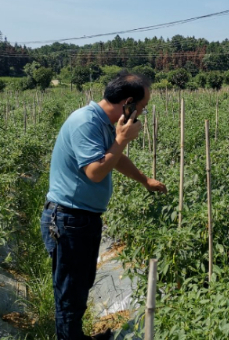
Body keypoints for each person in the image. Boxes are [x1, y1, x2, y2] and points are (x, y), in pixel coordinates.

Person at [41, 72, 167, 340]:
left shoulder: (103, 121)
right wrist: (122, 139)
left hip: (81, 219)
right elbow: (95, 172)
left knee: (79, 287)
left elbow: (115, 158)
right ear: (128, 102)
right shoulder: (85, 123)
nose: (141, 113)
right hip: (68, 219)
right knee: (69, 294)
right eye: (141, 107)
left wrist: (144, 180)